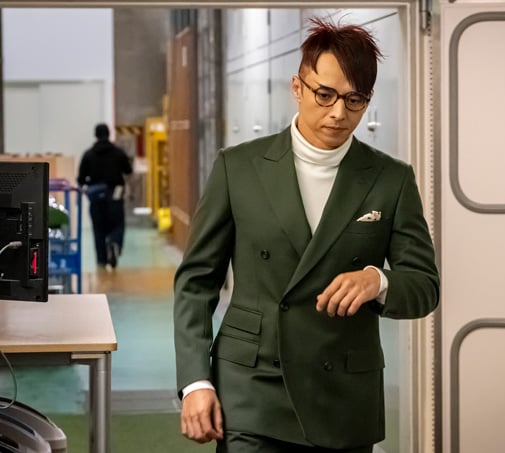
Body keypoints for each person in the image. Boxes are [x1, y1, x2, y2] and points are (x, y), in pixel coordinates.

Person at [174, 18, 439, 453]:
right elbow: (195, 283)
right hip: (253, 389)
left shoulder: (391, 179)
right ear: (297, 87)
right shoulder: (237, 168)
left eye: (355, 99)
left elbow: (425, 286)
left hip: (343, 396)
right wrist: (195, 381)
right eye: (325, 94)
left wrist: (378, 280)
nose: (338, 113)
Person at [77, 123, 132, 270]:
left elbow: (81, 179)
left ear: (95, 135)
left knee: (98, 229)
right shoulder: (118, 153)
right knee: (118, 223)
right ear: (109, 134)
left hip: (96, 197)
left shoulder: (88, 154)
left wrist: (89, 184)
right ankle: (114, 241)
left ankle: (101, 260)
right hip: (115, 194)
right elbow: (128, 170)